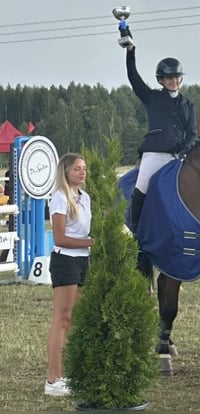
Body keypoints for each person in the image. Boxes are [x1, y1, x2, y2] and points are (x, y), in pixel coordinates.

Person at [124, 44, 197, 276]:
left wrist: (182, 149)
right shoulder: (152, 98)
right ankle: (136, 233)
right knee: (141, 189)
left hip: (178, 156)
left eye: (176, 77)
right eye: (168, 77)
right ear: (161, 80)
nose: (173, 80)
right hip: (154, 154)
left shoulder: (188, 104)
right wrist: (130, 52)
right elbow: (134, 78)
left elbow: (193, 133)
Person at [45, 153, 93, 397]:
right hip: (66, 261)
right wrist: (92, 241)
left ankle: (69, 373)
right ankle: (53, 378)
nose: (82, 173)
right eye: (77, 169)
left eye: (84, 168)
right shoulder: (59, 198)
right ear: (66, 172)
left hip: (84, 260)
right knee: (62, 319)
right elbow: (60, 238)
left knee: (75, 320)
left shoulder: (85, 198)